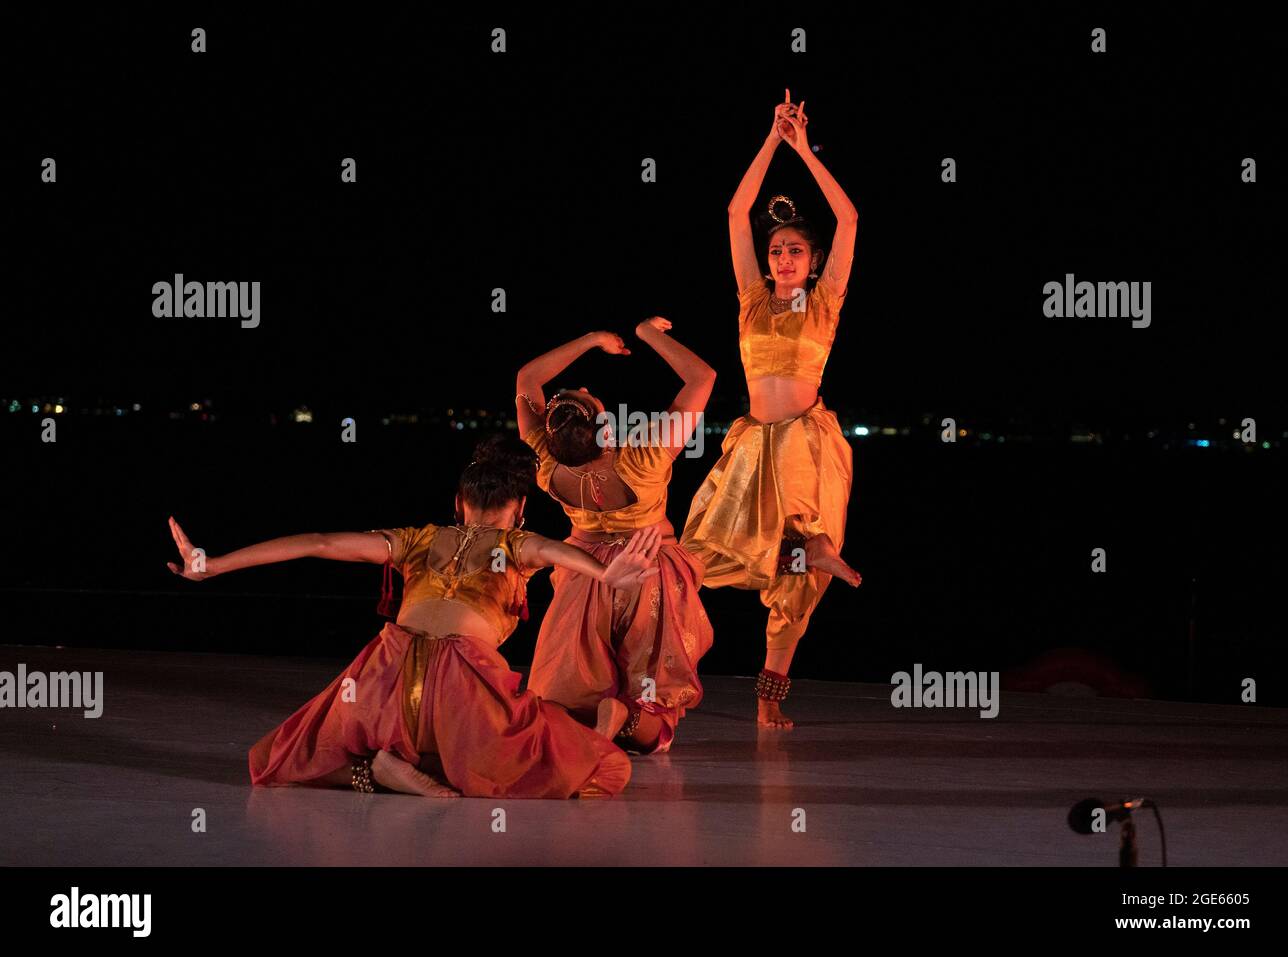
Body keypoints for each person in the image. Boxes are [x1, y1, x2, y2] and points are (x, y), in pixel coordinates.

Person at [166, 435, 662, 798]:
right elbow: (561, 554)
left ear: (457, 504)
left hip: (381, 677)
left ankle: (377, 769)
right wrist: (606, 574)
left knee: (284, 755)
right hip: (464, 687)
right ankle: (412, 767)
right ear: (520, 509)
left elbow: (319, 542)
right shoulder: (516, 545)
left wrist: (216, 563)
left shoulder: (417, 539)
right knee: (595, 767)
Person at [682, 90, 862, 729]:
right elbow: (736, 211)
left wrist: (803, 150)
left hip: (805, 444)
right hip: (756, 443)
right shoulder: (753, 301)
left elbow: (849, 217)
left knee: (798, 582)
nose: (785, 257)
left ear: (814, 266)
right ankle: (807, 547)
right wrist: (771, 139)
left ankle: (769, 694)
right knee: (708, 556)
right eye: (777, 250)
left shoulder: (824, 305)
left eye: (796, 252)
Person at [515, 319, 715, 753]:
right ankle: (625, 716)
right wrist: (648, 334)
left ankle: (593, 714)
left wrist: (589, 339)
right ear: (606, 430)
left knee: (571, 688)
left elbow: (527, 379)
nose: (584, 383)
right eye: (590, 397)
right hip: (648, 571)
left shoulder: (546, 464)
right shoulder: (644, 458)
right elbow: (703, 377)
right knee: (654, 707)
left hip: (584, 575)